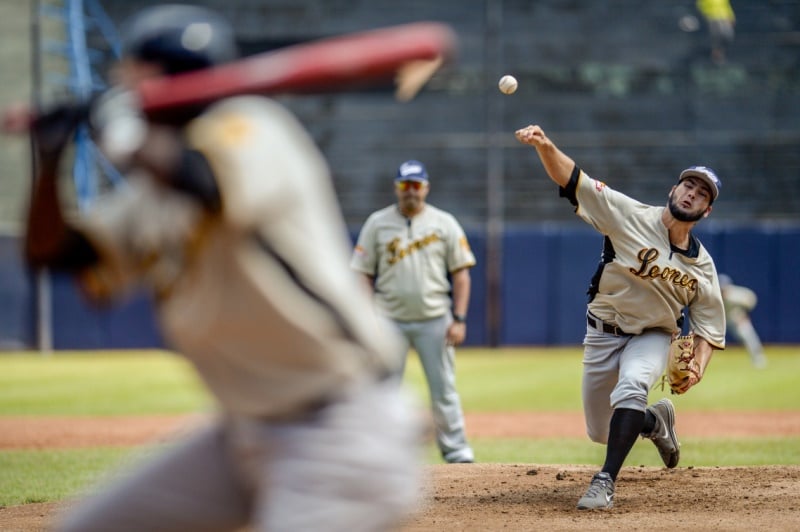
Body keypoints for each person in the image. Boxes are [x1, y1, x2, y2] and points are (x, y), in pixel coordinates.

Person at [22, 5, 422, 531]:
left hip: (340, 428)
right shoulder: (149, 196)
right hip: (243, 430)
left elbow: (204, 182)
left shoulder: (252, 127)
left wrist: (116, 126)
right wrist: (48, 162)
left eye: (135, 71)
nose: (123, 82)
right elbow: (55, 255)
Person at [515, 125, 726, 510]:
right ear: (673, 190)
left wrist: (698, 364)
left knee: (632, 386)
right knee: (600, 429)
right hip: (601, 333)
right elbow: (572, 179)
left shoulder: (703, 266)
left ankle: (605, 481)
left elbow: (709, 326)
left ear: (706, 210)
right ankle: (654, 422)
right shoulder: (627, 214)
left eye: (701, 194)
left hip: (654, 336)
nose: (691, 194)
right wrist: (545, 146)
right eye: (688, 187)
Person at [350, 160, 476, 464]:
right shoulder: (377, 223)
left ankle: (457, 451)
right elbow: (362, 274)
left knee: (443, 387)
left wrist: (459, 318)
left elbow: (461, 273)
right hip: (388, 319)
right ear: (397, 188)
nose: (411, 191)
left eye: (416, 185)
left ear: (426, 187)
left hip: (435, 317)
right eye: (405, 185)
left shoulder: (444, 222)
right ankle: (381, 451)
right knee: (382, 387)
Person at [719, 274, 768, 368]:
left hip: (735, 319)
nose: (722, 291)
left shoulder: (736, 295)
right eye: (721, 289)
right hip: (719, 321)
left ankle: (758, 358)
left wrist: (744, 313)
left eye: (724, 288)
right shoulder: (713, 296)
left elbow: (751, 298)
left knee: (747, 334)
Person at [696, 0, 736, 64]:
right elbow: (700, 5)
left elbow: (727, 6)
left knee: (728, 36)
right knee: (716, 36)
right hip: (712, 18)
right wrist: (705, 15)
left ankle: (719, 52)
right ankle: (715, 53)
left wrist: (731, 16)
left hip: (724, 18)